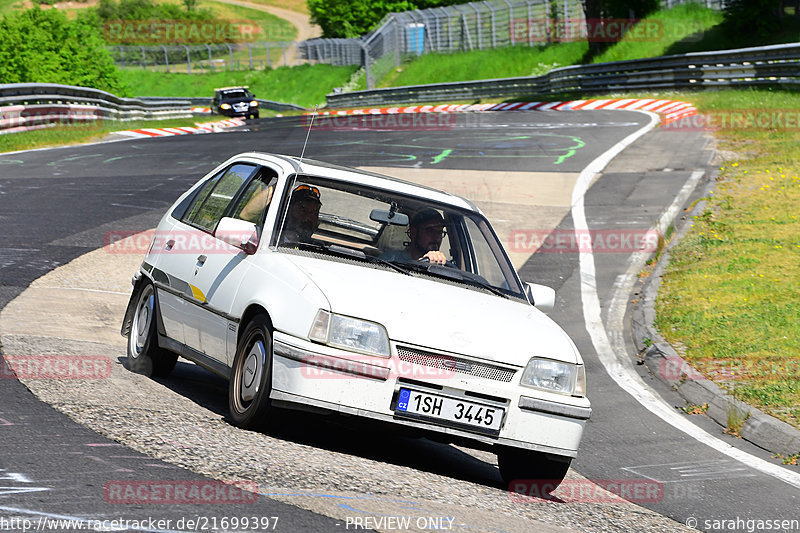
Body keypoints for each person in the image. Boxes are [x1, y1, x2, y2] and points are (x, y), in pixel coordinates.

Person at [381, 207, 452, 266]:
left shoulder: (444, 267)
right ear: (413, 232)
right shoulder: (390, 259)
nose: (436, 237)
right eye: (430, 231)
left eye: (439, 232)